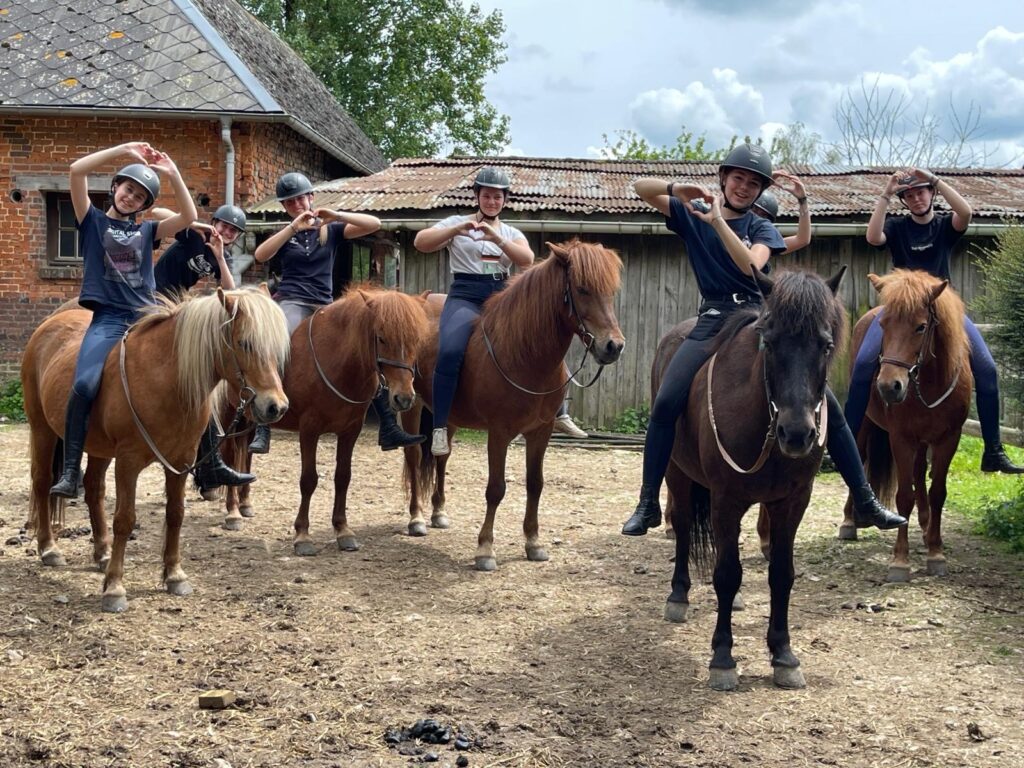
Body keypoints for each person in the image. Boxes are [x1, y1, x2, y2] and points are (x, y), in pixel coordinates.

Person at [620, 144, 905, 536]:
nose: (744, 187)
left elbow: (752, 265)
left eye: (753, 183)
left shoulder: (761, 227)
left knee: (832, 410)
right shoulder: (692, 215)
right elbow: (639, 186)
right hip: (715, 316)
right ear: (724, 178)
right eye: (737, 178)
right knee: (668, 398)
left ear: (760, 191)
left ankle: (865, 500)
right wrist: (680, 187)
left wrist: (718, 222)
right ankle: (649, 501)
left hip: (761, 314)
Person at [849, 167, 1023, 473]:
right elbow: (872, 236)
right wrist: (887, 193)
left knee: (987, 368)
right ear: (904, 201)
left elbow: (966, 212)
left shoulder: (944, 226)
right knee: (863, 365)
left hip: (943, 308)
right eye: (910, 195)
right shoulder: (898, 227)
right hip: (901, 309)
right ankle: (846, 443)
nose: (916, 199)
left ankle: (993, 450)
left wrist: (936, 180)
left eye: (921, 192)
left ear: (931, 195)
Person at [49, 142, 198, 497]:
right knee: (84, 384)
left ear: (145, 206)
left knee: (196, 371)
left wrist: (173, 173)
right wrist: (123, 150)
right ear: (116, 187)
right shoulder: (92, 221)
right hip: (109, 319)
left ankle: (210, 466)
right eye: (128, 189)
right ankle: (71, 470)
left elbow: (188, 218)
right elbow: (76, 170)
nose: (131, 197)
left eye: (140, 196)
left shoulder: (147, 232)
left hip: (147, 318)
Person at [250, 171, 423, 454]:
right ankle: (262, 425)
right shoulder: (283, 234)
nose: (297, 204)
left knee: (365, 348)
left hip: (325, 303)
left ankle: (389, 425)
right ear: (284, 207)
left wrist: (337, 213)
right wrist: (293, 227)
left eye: (301, 198)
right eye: (290, 202)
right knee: (275, 345)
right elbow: (261, 256)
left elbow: (374, 223)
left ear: (310, 198)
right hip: (293, 300)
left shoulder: (331, 231)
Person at [412, 167, 535, 456]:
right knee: (451, 349)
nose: (492, 201)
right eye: (487, 196)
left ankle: (557, 410)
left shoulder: (510, 232)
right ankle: (440, 426)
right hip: (465, 294)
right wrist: (457, 230)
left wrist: (497, 239)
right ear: (477, 196)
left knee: (537, 339)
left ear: (505, 200)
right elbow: (420, 242)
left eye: (497, 197)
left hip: (500, 296)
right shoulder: (456, 222)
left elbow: (527, 260)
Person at [151, 204, 255, 493]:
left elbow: (231, 291)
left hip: (178, 305)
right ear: (215, 223)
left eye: (233, 231)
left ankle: (210, 462)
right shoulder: (192, 236)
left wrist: (220, 257)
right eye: (223, 226)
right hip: (153, 298)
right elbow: (159, 212)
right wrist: (197, 225)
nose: (227, 232)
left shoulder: (223, 252)